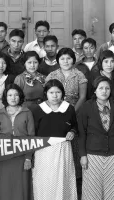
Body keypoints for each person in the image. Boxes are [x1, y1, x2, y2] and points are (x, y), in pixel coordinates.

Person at [78, 76, 114, 200]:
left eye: (107, 88)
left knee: (111, 190)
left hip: (112, 153)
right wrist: (83, 155)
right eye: (101, 88)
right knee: (92, 191)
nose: (104, 91)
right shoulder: (86, 107)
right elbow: (82, 132)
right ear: (95, 90)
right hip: (92, 154)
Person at [32, 79, 78, 200]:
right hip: (44, 150)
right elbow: (33, 132)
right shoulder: (38, 110)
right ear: (46, 93)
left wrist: (72, 132)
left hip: (63, 149)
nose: (55, 95)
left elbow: (74, 125)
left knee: (64, 179)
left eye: (58, 92)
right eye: (51, 92)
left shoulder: (69, 108)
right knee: (45, 180)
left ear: (62, 93)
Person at [45, 47, 87, 179]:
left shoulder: (79, 75)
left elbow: (83, 97)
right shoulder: (52, 75)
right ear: (58, 60)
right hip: (55, 112)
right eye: (62, 58)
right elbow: (48, 95)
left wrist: (71, 112)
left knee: (73, 141)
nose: (65, 61)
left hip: (75, 111)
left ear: (73, 60)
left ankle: (74, 177)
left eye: (68, 58)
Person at [0, 84, 35, 200]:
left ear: (20, 97)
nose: (13, 98)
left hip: (21, 155)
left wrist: (28, 158)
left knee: (20, 185)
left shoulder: (27, 112)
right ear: (5, 97)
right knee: (4, 184)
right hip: (3, 156)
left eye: (16, 95)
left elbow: (31, 137)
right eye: (10, 95)